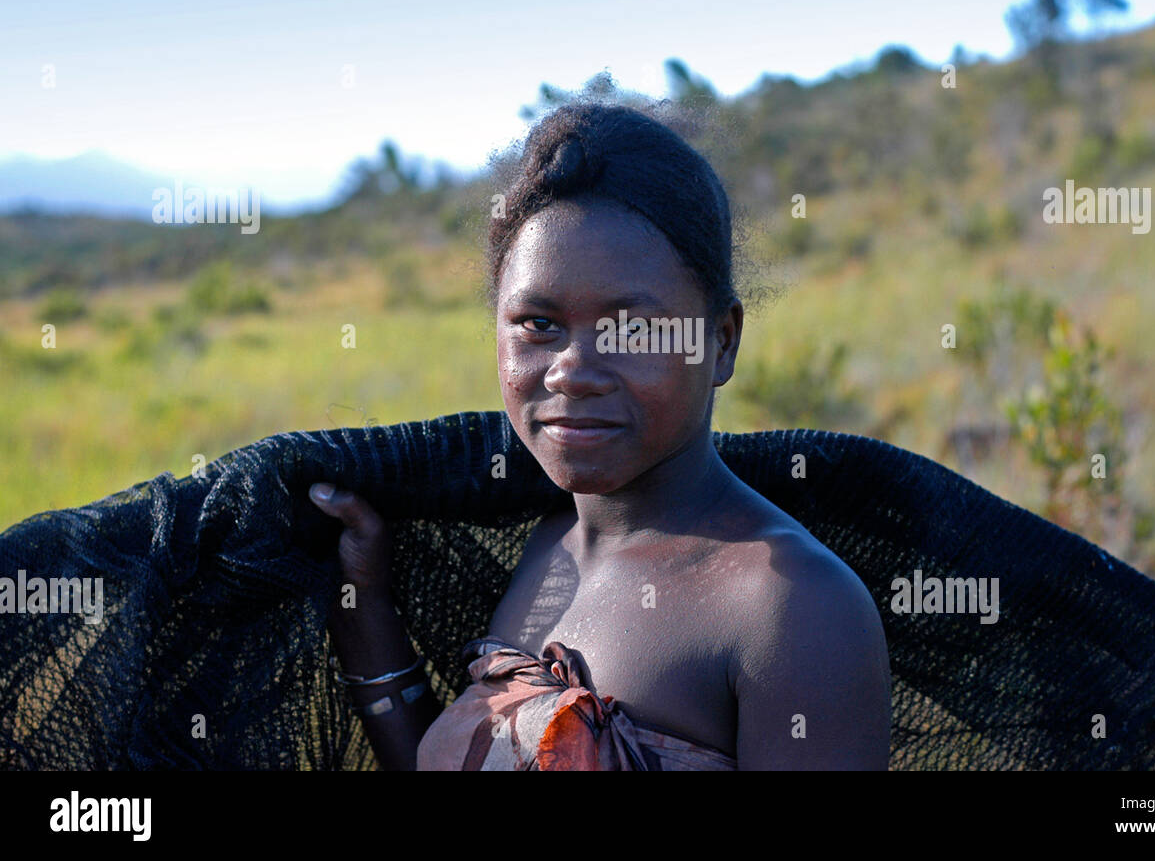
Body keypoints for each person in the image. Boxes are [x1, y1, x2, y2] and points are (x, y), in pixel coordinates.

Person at [308, 101, 891, 770]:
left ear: (721, 342)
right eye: (538, 324)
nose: (574, 371)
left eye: (631, 330)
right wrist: (366, 610)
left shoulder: (789, 605)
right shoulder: (544, 550)